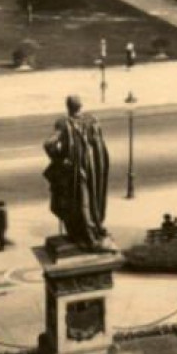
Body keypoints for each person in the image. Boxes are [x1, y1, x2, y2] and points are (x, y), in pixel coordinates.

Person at [42, 95, 115, 252]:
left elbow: (49, 144)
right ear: (81, 106)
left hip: (77, 169)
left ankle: (89, 236)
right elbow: (99, 144)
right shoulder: (93, 120)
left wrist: (61, 159)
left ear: (68, 106)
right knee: (90, 200)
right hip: (93, 168)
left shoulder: (64, 123)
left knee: (82, 202)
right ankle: (92, 233)